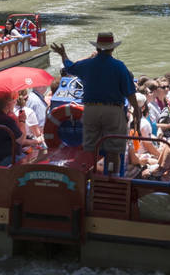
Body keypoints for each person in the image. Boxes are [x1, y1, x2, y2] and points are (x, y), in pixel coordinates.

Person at [50, 32, 140, 174]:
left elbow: (69, 67)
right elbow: (130, 93)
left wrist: (63, 54)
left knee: (92, 148)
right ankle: (111, 177)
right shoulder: (120, 67)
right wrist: (137, 111)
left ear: (97, 48)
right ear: (112, 48)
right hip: (113, 112)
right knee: (113, 150)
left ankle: (90, 175)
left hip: (91, 111)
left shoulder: (87, 64)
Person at [0, 91, 41, 166]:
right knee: (34, 162)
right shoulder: (8, 120)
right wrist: (22, 121)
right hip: (8, 158)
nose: (16, 102)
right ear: (9, 103)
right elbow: (21, 140)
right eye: (14, 101)